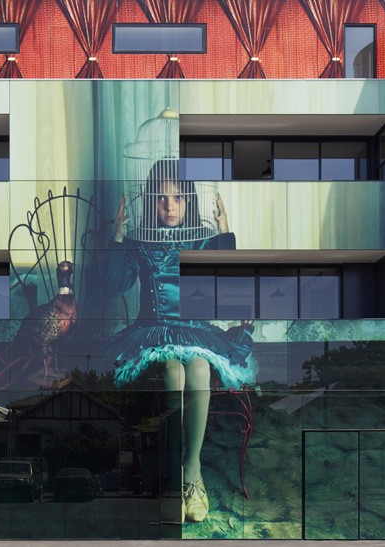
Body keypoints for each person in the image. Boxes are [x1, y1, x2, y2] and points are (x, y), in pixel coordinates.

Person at [104, 161, 257, 523]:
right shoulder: (140, 241)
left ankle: (192, 470)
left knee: (199, 368)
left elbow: (227, 284)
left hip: (194, 329)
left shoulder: (199, 239)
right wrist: (118, 238)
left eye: (177, 198)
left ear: (190, 201)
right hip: (152, 330)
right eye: (161, 198)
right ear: (150, 201)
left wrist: (224, 232)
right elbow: (112, 288)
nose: (169, 206)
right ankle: (172, 476)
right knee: (174, 372)